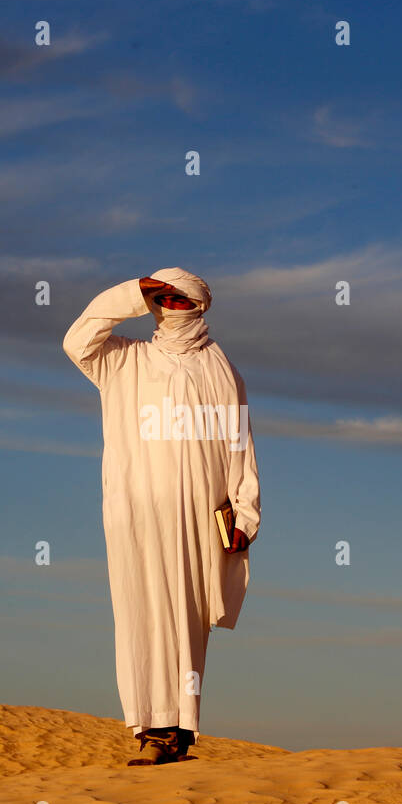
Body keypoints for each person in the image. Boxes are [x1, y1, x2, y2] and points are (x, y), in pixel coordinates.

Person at [63, 268, 261, 765]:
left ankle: (179, 732)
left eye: (180, 300)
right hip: (135, 511)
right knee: (140, 613)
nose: (170, 308)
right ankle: (151, 731)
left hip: (198, 515)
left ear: (199, 306)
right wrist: (132, 293)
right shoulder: (124, 360)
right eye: (163, 299)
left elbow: (241, 447)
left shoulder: (222, 371)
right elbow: (77, 339)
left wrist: (245, 513)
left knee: (188, 621)